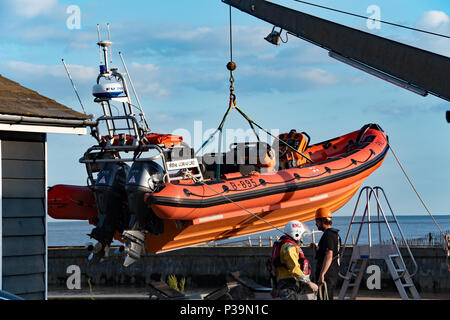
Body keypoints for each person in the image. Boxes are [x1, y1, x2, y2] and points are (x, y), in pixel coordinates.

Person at [270, 220, 318, 300]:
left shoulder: (283, 245)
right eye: (301, 235)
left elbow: (274, 269)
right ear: (296, 234)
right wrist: (309, 283)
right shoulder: (289, 248)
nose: (302, 237)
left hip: (284, 283)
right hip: (289, 285)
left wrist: (275, 287)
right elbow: (294, 268)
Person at [313, 207, 341, 300]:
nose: (316, 223)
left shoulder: (328, 235)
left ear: (322, 220)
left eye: (317, 221)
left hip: (327, 275)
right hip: (331, 273)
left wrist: (322, 274)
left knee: (325, 297)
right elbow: (328, 252)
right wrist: (316, 248)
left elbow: (329, 255)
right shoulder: (334, 234)